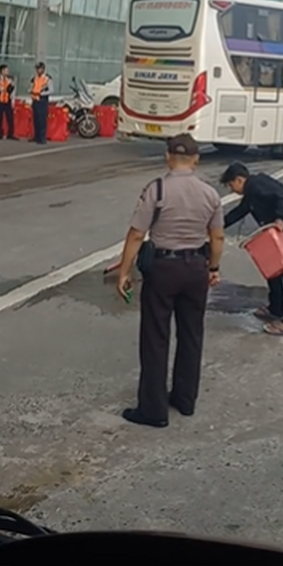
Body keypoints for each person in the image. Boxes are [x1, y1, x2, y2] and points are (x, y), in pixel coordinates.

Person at [115, 134, 226, 427]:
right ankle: (185, 399)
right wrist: (213, 268)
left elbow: (137, 234)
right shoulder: (210, 194)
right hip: (196, 270)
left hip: (163, 269)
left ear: (167, 157)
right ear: (196, 159)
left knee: (155, 337)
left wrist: (124, 271)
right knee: (191, 335)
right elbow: (217, 236)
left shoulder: (157, 189)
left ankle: (153, 409)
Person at [220, 161, 283, 337]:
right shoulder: (251, 194)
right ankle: (276, 308)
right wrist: (218, 226)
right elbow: (239, 212)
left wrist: (281, 217)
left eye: (231, 185)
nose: (231, 190)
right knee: (273, 267)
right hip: (280, 230)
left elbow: (282, 195)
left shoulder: (257, 184)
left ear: (239, 180)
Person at [0, 64, 17, 140]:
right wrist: (8, 87)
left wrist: (12, 100)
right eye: (6, 70)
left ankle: (10, 134)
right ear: (2, 71)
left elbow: (12, 90)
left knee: (10, 118)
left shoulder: (10, 79)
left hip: (7, 101)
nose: (7, 72)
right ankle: (0, 133)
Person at [30, 62, 50, 144]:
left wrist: (41, 94)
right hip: (35, 100)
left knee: (42, 120)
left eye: (39, 68)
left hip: (42, 101)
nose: (38, 70)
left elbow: (51, 90)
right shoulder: (34, 78)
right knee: (36, 120)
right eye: (37, 69)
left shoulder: (47, 78)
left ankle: (42, 138)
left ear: (43, 69)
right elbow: (32, 86)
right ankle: (36, 137)